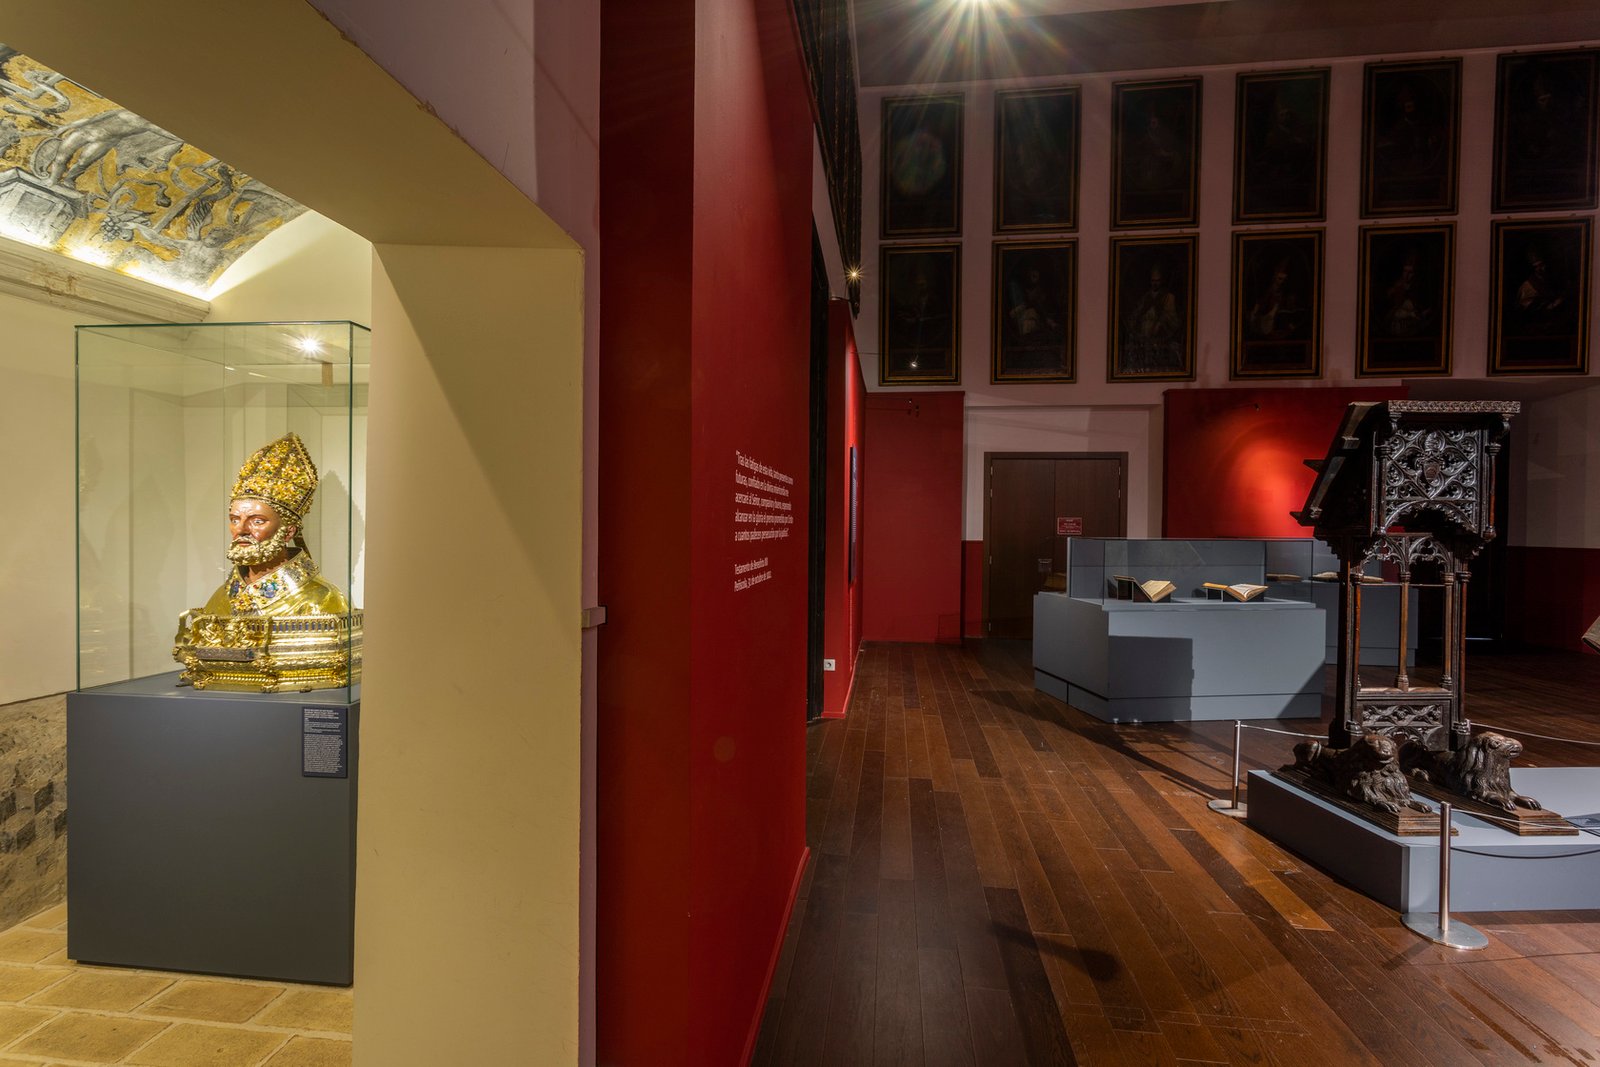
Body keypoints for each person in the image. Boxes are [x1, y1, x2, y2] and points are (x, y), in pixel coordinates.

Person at [174, 432, 356, 692]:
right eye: (234, 519)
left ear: (288, 531)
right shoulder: (220, 598)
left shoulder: (322, 600)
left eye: (257, 521)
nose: (241, 530)